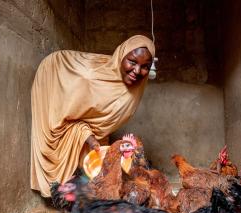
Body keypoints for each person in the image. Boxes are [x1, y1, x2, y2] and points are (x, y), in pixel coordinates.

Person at [30, 35, 155, 197]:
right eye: (132, 61)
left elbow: (98, 122)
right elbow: (68, 116)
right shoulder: (89, 78)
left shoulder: (135, 90)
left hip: (79, 118)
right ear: (120, 56)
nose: (137, 71)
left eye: (145, 67)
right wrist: (86, 135)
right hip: (55, 83)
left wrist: (90, 136)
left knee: (97, 177)